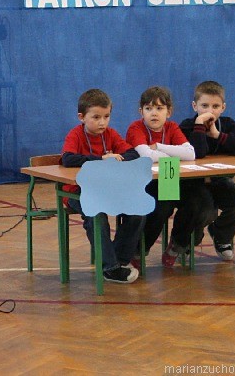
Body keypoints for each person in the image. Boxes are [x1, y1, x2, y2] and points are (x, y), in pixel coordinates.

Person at [60, 89, 143, 284]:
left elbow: (133, 154)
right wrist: (101, 159)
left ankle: (118, 259)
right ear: (82, 117)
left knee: (137, 210)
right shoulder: (75, 135)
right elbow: (68, 158)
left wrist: (117, 159)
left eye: (106, 117)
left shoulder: (111, 134)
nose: (102, 122)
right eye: (96, 117)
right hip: (77, 191)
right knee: (96, 213)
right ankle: (110, 267)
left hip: (106, 190)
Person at [125, 86, 213, 268]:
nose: (154, 113)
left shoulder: (172, 127)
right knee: (161, 207)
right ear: (141, 112)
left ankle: (177, 245)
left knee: (200, 202)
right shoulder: (135, 128)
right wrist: (173, 154)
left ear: (169, 112)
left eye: (159, 108)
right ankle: (139, 249)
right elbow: (146, 156)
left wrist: (159, 147)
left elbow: (190, 153)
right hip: (144, 184)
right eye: (148, 108)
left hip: (170, 180)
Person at [180, 80, 235, 260]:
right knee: (204, 210)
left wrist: (217, 135)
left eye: (215, 106)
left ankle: (221, 235)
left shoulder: (227, 125)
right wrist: (199, 126)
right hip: (193, 183)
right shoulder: (186, 126)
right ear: (195, 106)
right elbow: (198, 153)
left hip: (219, 181)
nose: (209, 111)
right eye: (204, 106)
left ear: (223, 108)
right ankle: (189, 241)